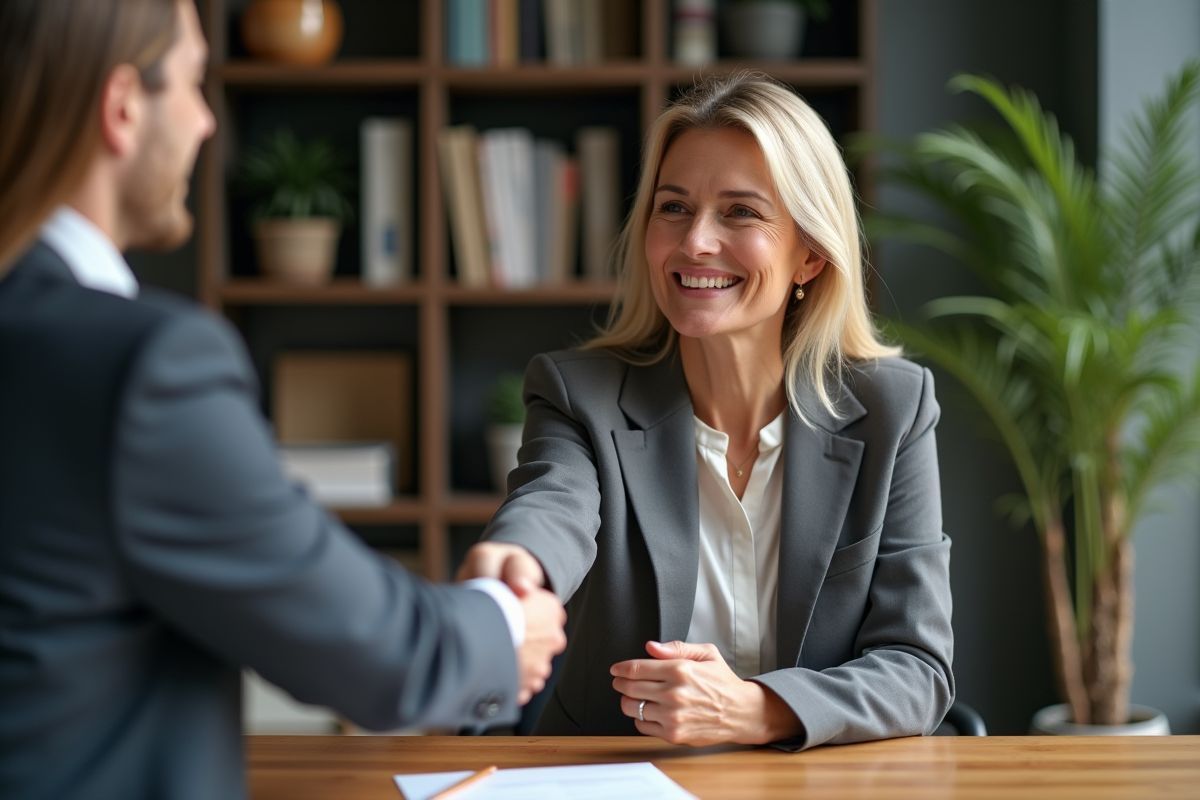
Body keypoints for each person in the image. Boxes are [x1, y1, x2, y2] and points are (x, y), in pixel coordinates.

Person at [0, 2, 565, 798]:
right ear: (122, 107)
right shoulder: (141, 364)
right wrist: (506, 628)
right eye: (195, 85)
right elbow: (373, 650)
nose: (204, 125)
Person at [459, 73, 954, 751]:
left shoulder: (891, 409)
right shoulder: (581, 394)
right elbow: (554, 504)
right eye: (673, 207)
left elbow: (919, 670)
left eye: (740, 212)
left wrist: (758, 710)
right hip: (615, 781)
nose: (694, 242)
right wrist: (517, 561)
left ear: (809, 253)